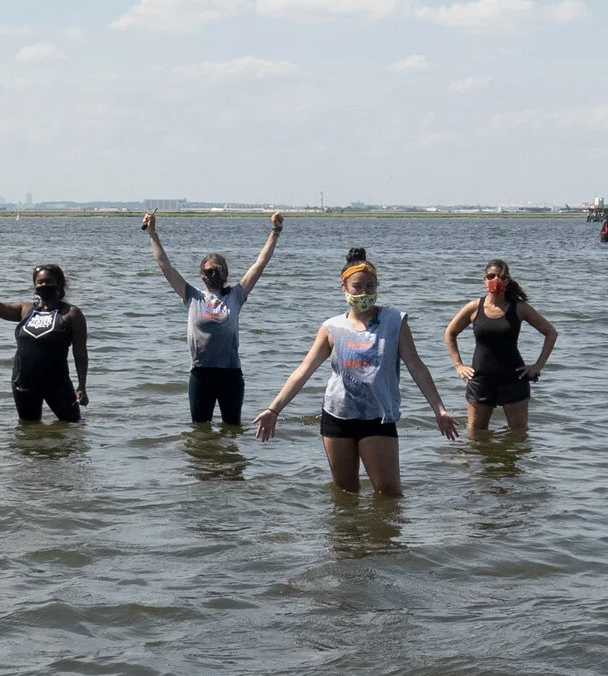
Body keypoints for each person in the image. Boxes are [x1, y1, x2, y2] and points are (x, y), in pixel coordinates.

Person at [251, 245, 458, 494]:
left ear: (377, 287)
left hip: (377, 417)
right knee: (345, 494)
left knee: (389, 494)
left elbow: (417, 367)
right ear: (344, 288)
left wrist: (439, 409)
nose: (364, 293)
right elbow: (304, 371)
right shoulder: (332, 327)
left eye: (370, 286)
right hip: (337, 416)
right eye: (357, 287)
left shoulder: (394, 321)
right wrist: (274, 409)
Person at [143, 209, 284, 425]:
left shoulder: (236, 296)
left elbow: (259, 264)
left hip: (230, 374)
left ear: (225, 274)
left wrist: (275, 231)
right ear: (201, 274)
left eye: (217, 271)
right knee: (200, 432)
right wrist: (152, 232)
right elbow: (165, 267)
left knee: (232, 429)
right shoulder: (192, 296)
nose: (212, 275)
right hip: (201, 374)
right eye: (208, 272)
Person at [443, 258, 558, 432]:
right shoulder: (474, 307)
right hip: (480, 378)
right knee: (476, 433)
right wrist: (458, 365)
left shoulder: (519, 308)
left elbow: (551, 332)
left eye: (501, 277)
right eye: (491, 276)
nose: (496, 280)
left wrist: (538, 366)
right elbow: (450, 333)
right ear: (484, 279)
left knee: (518, 434)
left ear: (508, 280)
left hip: (513, 378)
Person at [0, 254, 88, 423]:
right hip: (23, 383)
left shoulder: (71, 314)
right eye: (40, 282)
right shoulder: (25, 310)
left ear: (59, 284)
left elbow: (80, 353)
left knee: (73, 426)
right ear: (35, 285)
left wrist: (81, 386)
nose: (44, 285)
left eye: (49, 282)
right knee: (28, 431)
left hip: (57, 383)